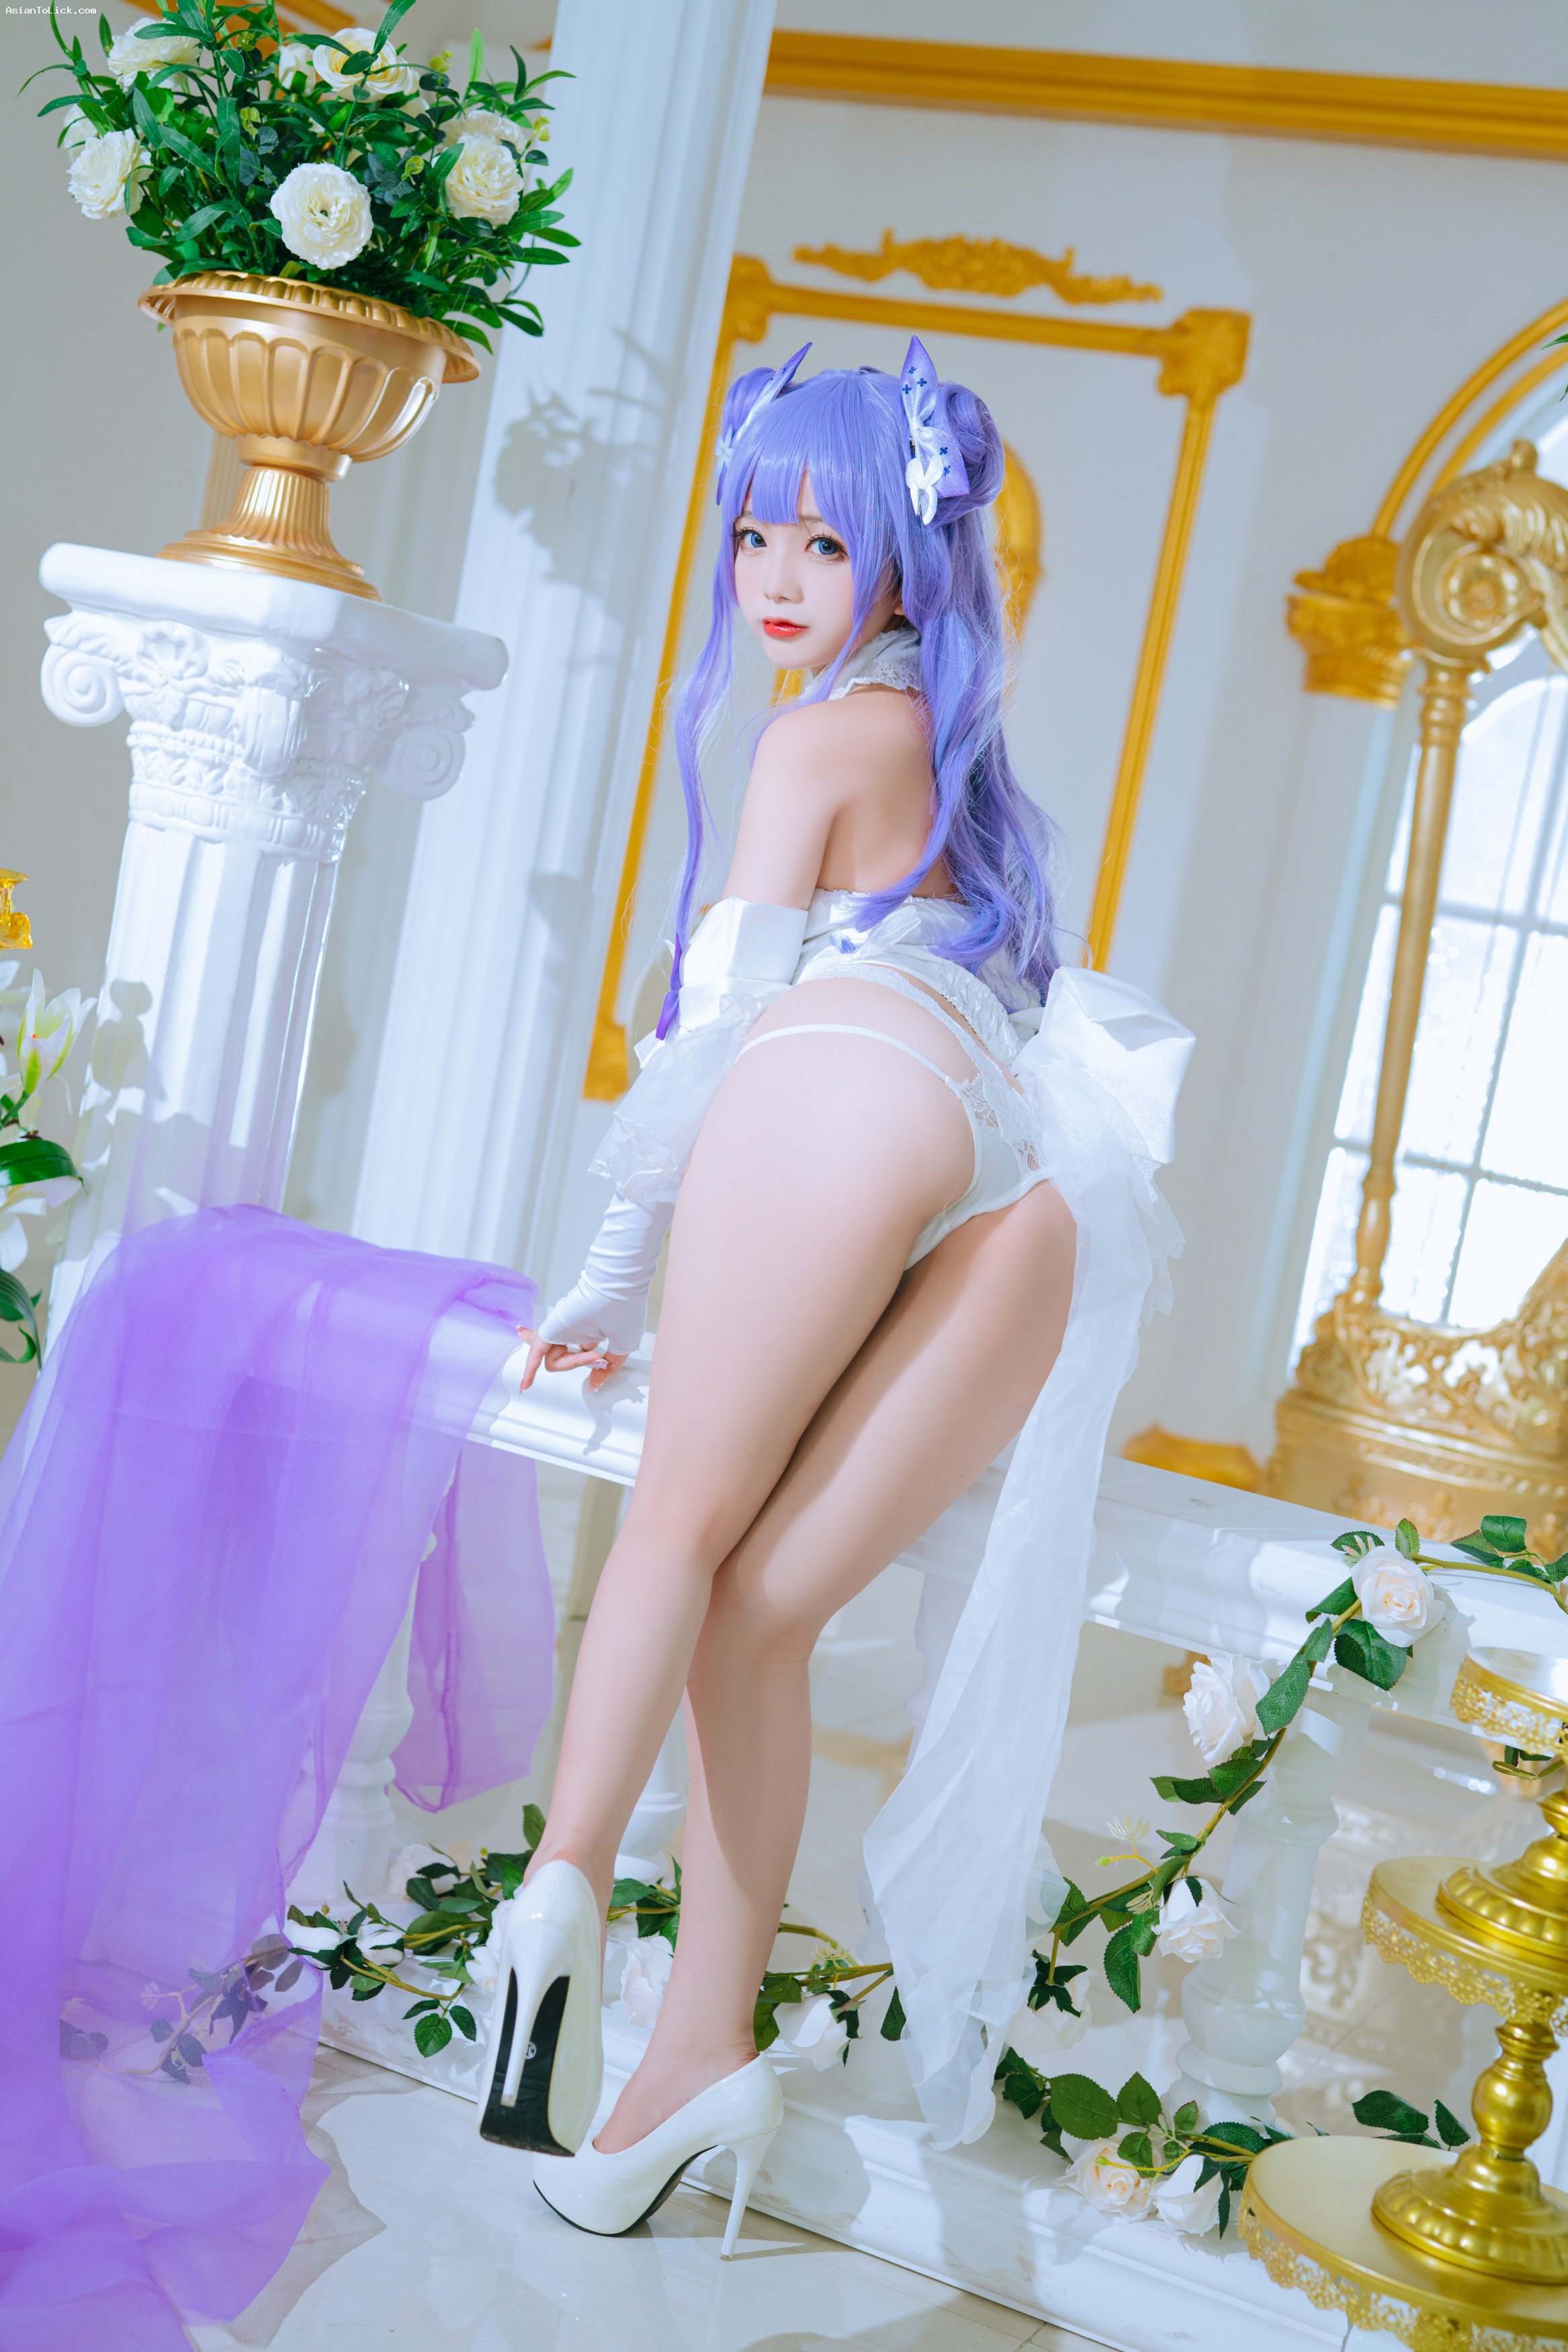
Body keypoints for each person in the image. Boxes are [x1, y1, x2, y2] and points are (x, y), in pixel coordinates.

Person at [476, 340, 1193, 2249]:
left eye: (824, 539)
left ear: (903, 556)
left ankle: (556, 1890)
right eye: (754, 536)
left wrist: (609, 1279)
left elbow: (716, 1038)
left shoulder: (807, 746)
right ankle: (697, 2054)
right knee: (758, 1617)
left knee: (676, 1523)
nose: (777, 577)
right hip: (1023, 1198)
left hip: (851, 1081)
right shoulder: (968, 769)